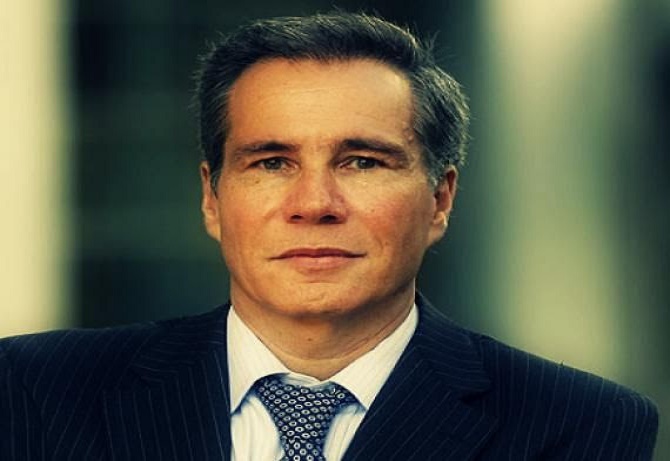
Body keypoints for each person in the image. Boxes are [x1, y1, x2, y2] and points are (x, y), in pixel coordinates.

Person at [0, 12, 658, 461]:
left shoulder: (578, 426)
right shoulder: (33, 392)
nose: (314, 204)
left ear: (440, 199)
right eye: (272, 163)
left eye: (362, 162)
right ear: (211, 198)